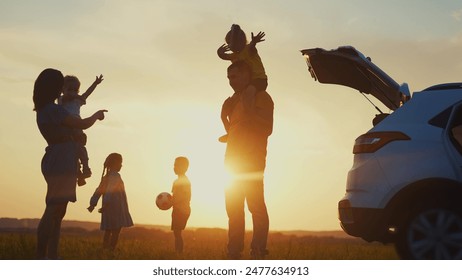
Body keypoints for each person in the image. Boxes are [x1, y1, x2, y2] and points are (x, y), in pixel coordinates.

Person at [33, 68, 107, 259]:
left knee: (58, 211)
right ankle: (42, 257)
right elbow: (81, 125)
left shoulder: (45, 110)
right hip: (63, 158)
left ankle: (52, 256)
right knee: (53, 208)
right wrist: (96, 116)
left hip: (57, 156)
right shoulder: (55, 110)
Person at [221, 60, 274, 259]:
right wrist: (225, 115)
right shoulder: (235, 100)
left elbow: (267, 128)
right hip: (231, 162)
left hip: (252, 161)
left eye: (234, 77)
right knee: (233, 209)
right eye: (228, 78)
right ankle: (233, 252)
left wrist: (247, 108)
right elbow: (234, 131)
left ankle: (258, 251)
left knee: (255, 207)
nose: (231, 82)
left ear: (246, 75)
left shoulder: (262, 97)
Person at [217, 24, 268, 143]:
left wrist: (254, 41)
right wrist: (219, 52)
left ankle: (250, 121)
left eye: (233, 41)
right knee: (227, 108)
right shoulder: (235, 56)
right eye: (229, 43)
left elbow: (252, 47)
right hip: (243, 88)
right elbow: (223, 56)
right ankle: (230, 132)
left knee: (248, 96)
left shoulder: (248, 50)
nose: (232, 45)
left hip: (258, 80)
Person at [59, 74, 104, 186]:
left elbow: (87, 94)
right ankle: (78, 174)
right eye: (70, 89)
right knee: (72, 151)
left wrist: (95, 84)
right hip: (67, 127)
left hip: (78, 126)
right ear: (63, 89)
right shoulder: (62, 100)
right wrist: (71, 95)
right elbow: (63, 100)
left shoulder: (77, 101)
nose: (73, 92)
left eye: (76, 90)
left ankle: (85, 168)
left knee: (81, 149)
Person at [88, 153, 134, 251]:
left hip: (107, 208)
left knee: (108, 230)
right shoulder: (115, 176)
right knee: (116, 230)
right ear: (115, 163)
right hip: (115, 207)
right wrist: (107, 203)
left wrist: (93, 203)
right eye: (120, 163)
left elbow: (99, 191)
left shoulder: (106, 177)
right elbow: (110, 190)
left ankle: (105, 248)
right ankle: (111, 249)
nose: (121, 165)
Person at [170, 156, 191, 254]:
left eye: (177, 165)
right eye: (174, 165)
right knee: (176, 233)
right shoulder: (176, 181)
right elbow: (174, 196)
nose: (175, 167)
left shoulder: (184, 181)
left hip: (182, 210)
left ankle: (179, 253)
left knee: (177, 233)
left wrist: (174, 202)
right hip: (177, 209)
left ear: (185, 168)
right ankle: (177, 253)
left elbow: (186, 196)